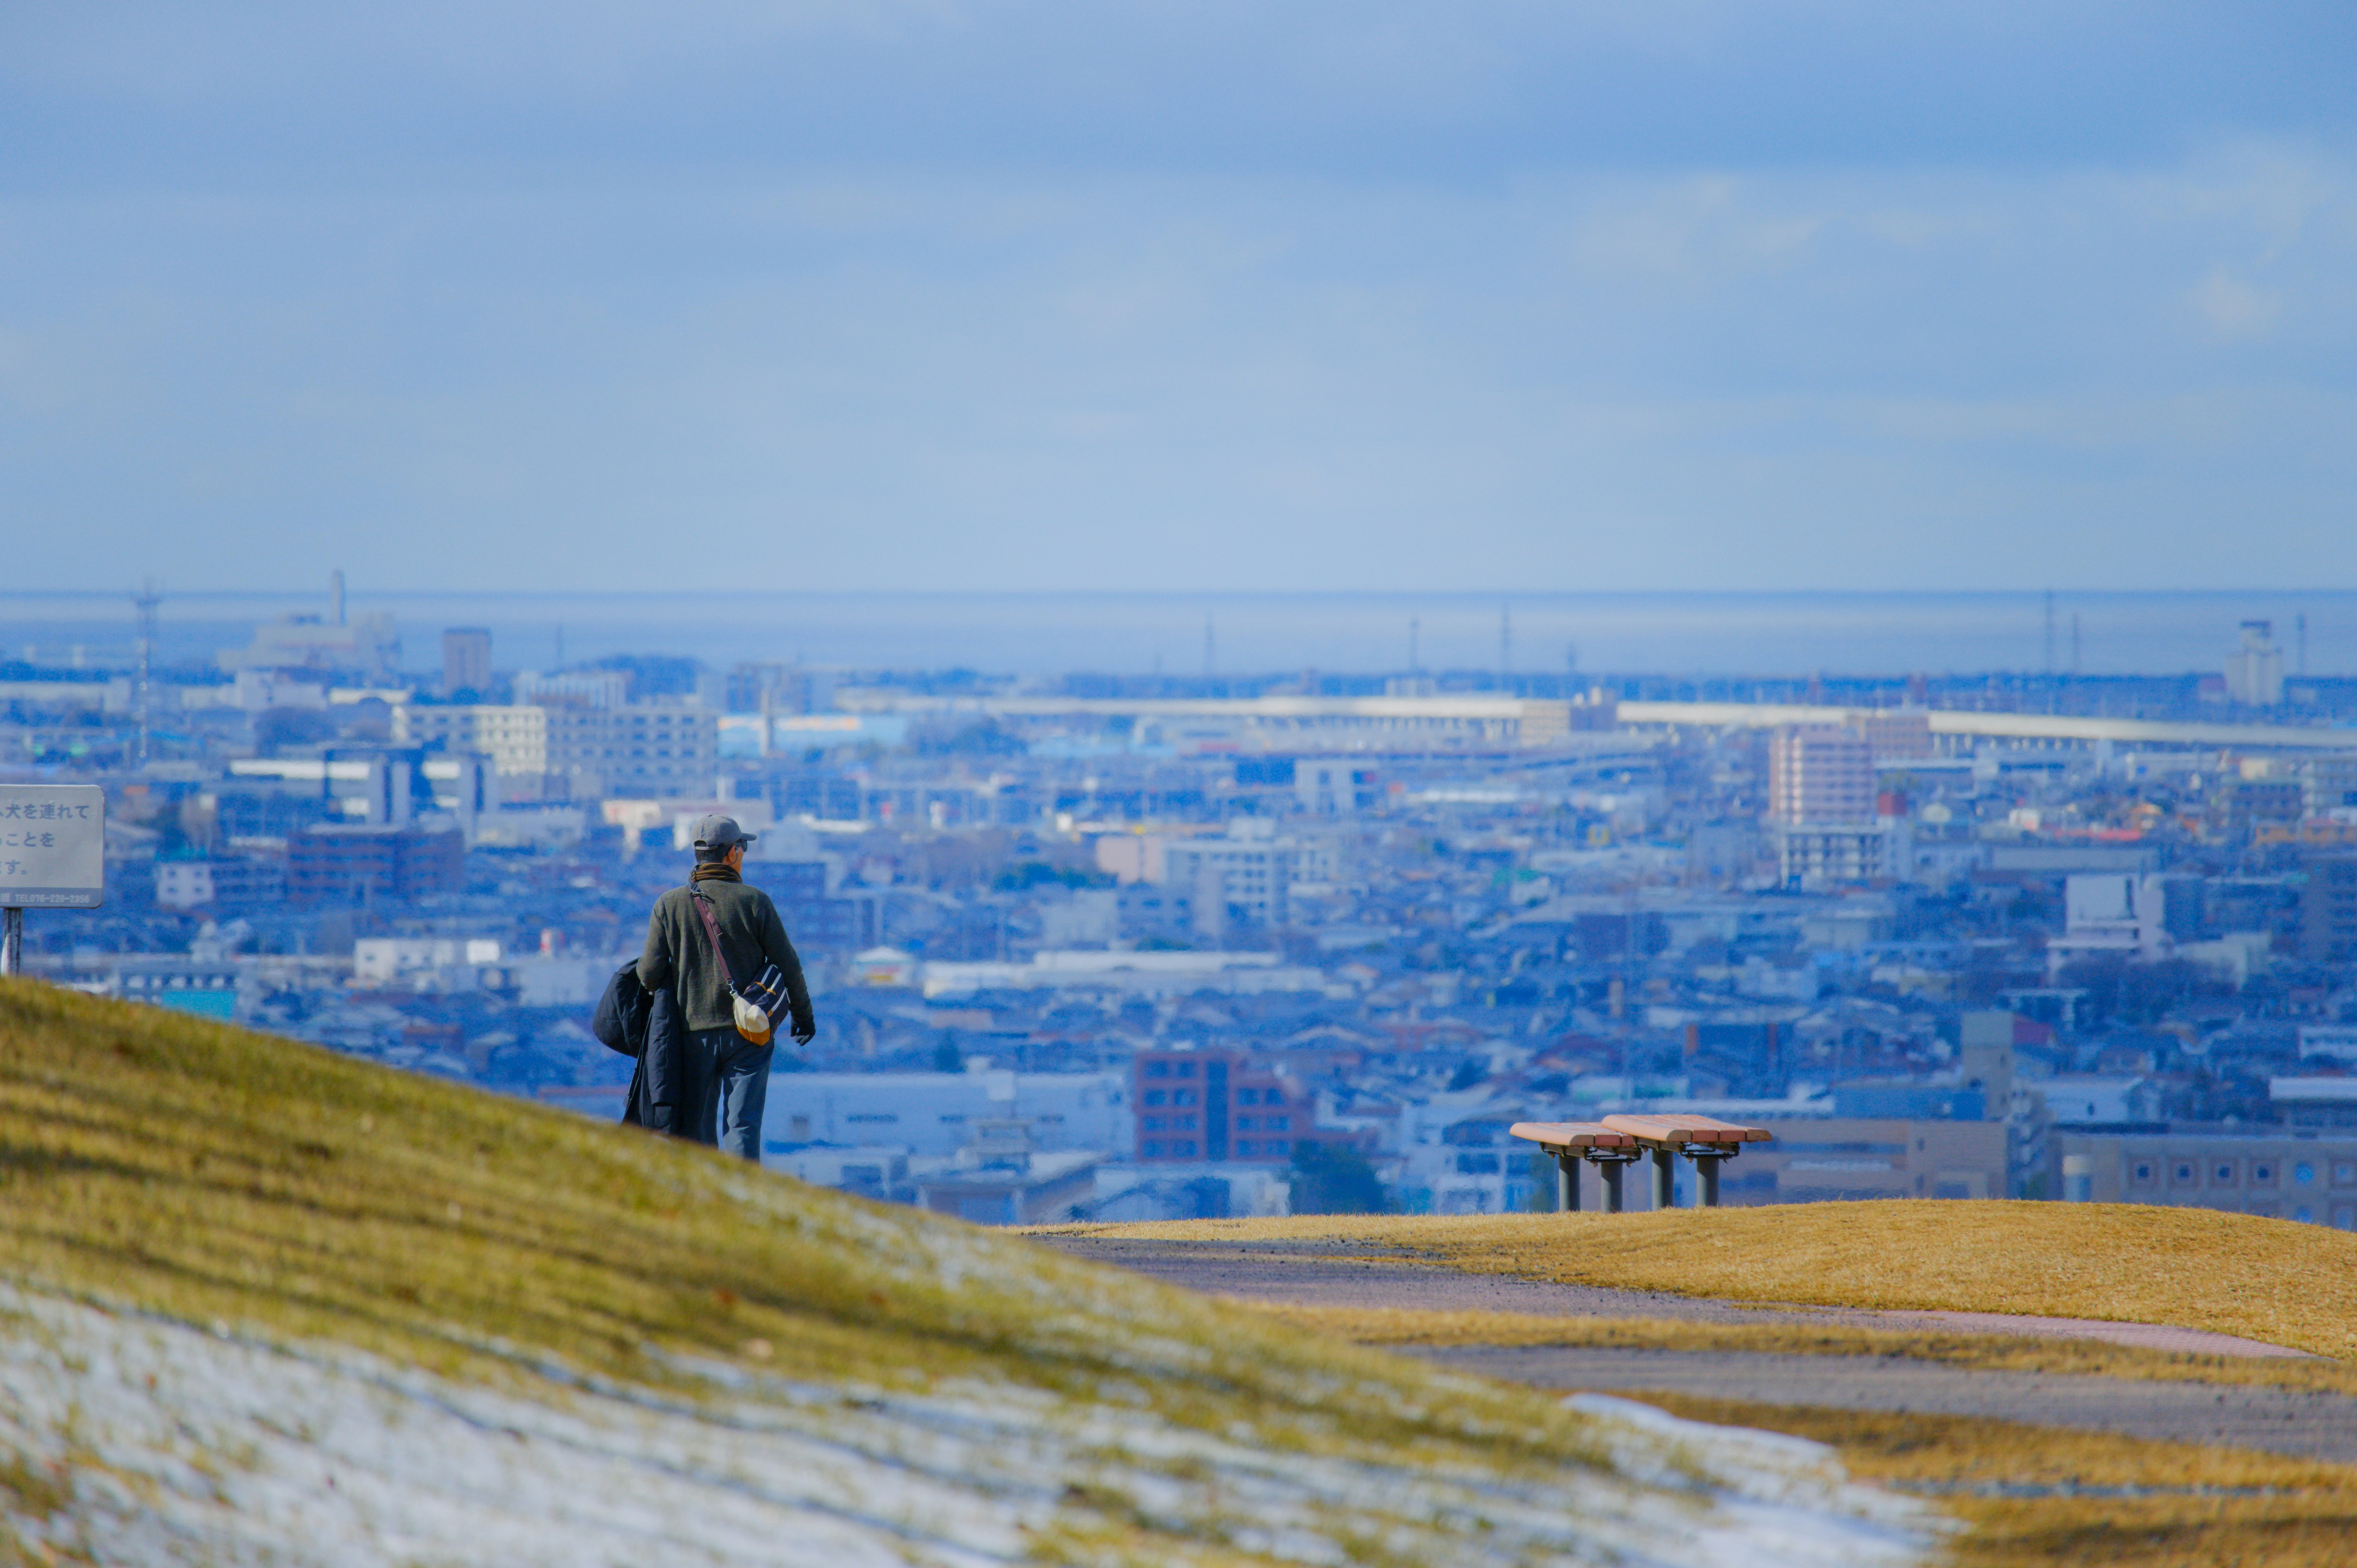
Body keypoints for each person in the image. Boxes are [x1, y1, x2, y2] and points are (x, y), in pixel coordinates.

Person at [636, 814, 815, 1158]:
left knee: (699, 1130)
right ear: (732, 854)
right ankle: (742, 1202)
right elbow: (789, 966)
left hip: (693, 1034)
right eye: (743, 848)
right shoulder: (754, 902)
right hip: (750, 1031)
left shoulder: (668, 906)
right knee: (743, 1127)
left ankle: (704, 1201)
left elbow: (649, 975)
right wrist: (803, 1017)